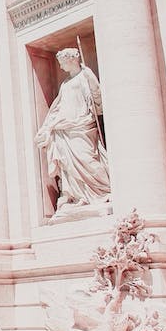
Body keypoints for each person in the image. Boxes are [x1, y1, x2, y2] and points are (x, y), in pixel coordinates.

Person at [34, 48, 110, 214]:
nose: (60, 67)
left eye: (62, 63)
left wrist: (96, 107)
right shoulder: (65, 83)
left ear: (71, 60)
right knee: (67, 163)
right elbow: (58, 105)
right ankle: (76, 195)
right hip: (65, 126)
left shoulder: (86, 74)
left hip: (82, 123)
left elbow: (97, 95)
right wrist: (48, 125)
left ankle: (103, 189)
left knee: (87, 157)